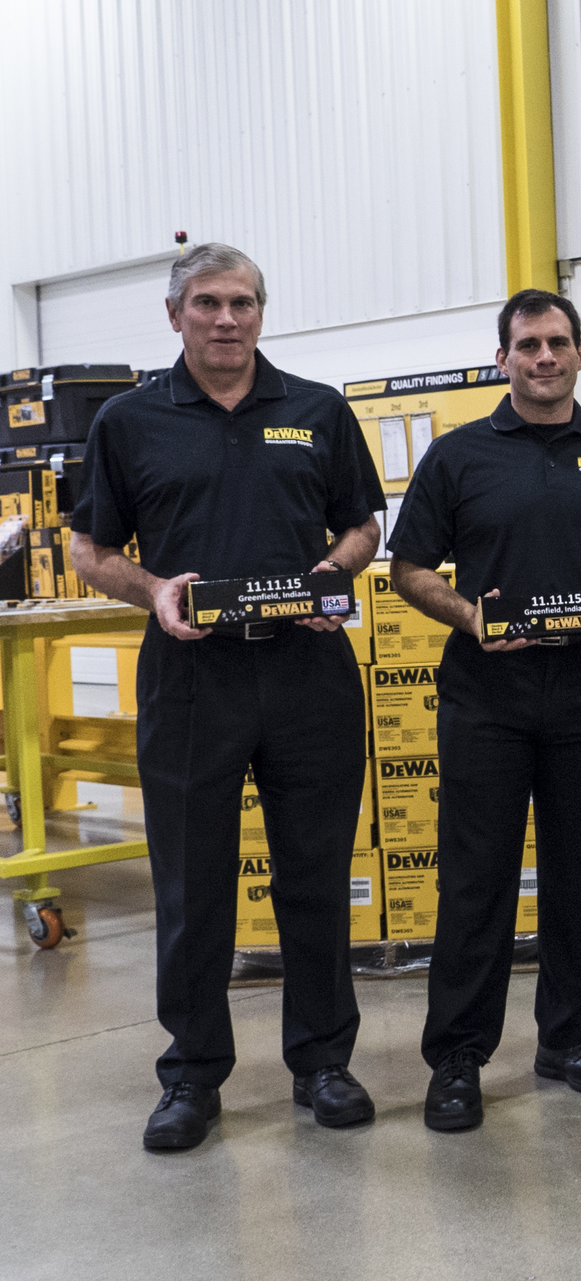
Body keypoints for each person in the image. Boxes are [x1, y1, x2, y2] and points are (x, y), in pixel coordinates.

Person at [70, 243, 386, 1152]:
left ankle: (323, 1062)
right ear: (176, 315)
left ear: (261, 311)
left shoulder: (317, 410)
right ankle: (192, 1076)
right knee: (192, 885)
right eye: (206, 302)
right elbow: (92, 549)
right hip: (191, 678)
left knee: (315, 879)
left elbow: (363, 524)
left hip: (307, 674)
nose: (226, 318)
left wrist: (334, 572)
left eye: (242, 302)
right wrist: (155, 591)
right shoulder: (131, 421)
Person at [387, 289, 581, 1131]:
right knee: (476, 880)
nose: (543, 357)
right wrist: (470, 617)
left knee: (579, 872)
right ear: (504, 359)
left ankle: (569, 1039)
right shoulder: (458, 457)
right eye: (527, 345)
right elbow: (410, 569)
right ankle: (457, 1056)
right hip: (487, 698)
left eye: (557, 343)